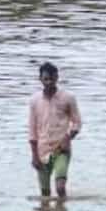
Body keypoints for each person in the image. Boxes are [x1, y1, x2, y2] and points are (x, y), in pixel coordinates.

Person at [28, 62, 82, 199]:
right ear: (40, 79)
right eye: (45, 79)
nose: (49, 82)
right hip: (42, 151)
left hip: (61, 149)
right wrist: (34, 156)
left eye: (52, 78)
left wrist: (68, 137)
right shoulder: (34, 101)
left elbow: (77, 122)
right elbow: (32, 130)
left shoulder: (68, 98)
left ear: (57, 77)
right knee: (45, 195)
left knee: (60, 187)